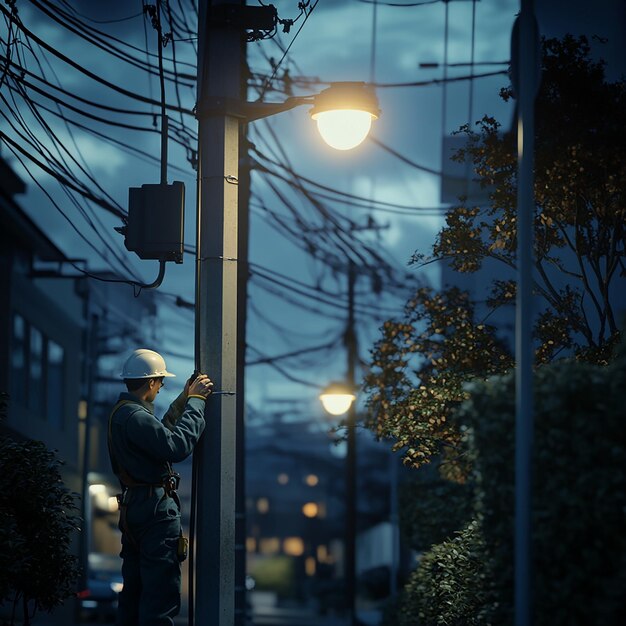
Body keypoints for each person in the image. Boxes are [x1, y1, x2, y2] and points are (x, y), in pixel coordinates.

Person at [107, 348, 213, 626]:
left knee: (134, 593)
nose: (162, 385)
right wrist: (198, 403)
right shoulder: (136, 417)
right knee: (160, 596)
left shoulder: (123, 413)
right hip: (154, 510)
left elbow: (160, 436)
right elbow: (175, 446)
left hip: (134, 507)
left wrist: (185, 398)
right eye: (161, 381)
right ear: (151, 382)